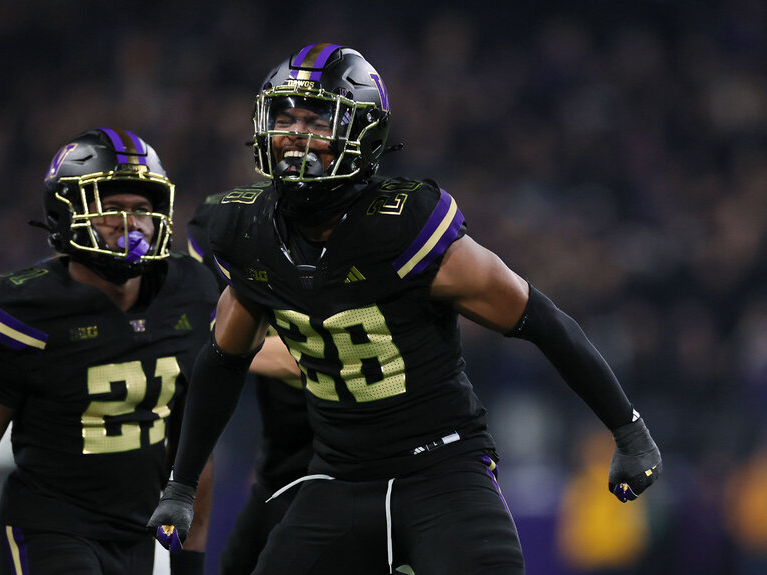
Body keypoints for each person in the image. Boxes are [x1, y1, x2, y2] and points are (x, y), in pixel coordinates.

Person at [148, 44, 663, 575]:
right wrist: (181, 486)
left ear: (362, 132)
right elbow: (223, 360)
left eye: (316, 120)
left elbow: (537, 317)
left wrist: (627, 430)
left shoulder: (401, 223)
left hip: (442, 469)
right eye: (285, 117)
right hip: (340, 478)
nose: (295, 135)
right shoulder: (247, 231)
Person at [0, 128, 222, 575]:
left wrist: (190, 561)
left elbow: (193, 452)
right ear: (64, 212)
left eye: (142, 209)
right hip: (51, 529)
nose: (130, 224)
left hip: (140, 533)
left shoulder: (190, 292)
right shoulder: (31, 308)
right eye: (110, 209)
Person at [187, 198, 313, 575]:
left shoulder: (358, 239)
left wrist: (221, 349)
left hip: (363, 459)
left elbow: (328, 356)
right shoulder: (225, 228)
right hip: (284, 462)